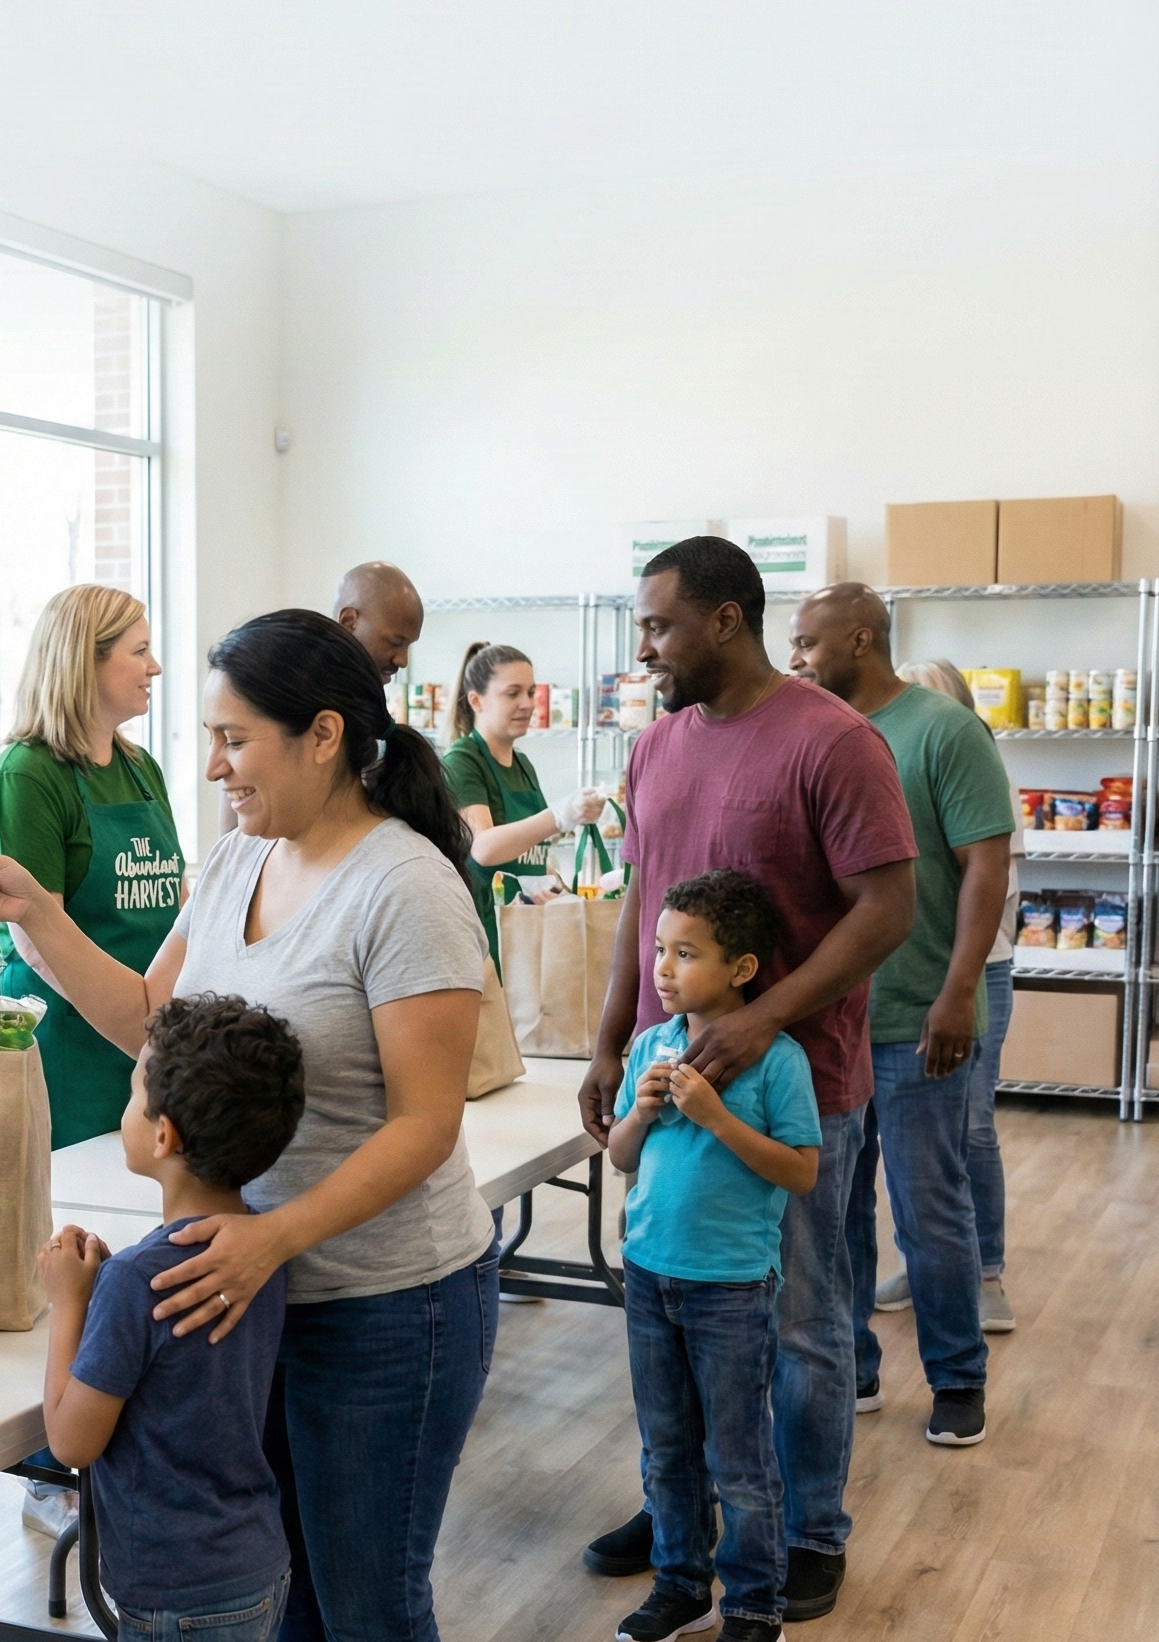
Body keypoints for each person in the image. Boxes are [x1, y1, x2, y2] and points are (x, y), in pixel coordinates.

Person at [0, 608, 500, 1642]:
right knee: (291, 1600)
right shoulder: (234, 863)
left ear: (324, 735)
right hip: (260, 1290)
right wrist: (37, 912)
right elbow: (152, 1025)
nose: (212, 767)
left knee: (369, 1606)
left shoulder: (406, 889)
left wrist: (270, 1240)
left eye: (234, 739)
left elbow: (427, 1125)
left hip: (387, 1304)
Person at [578, 537, 916, 1625]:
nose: (645, 646)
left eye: (659, 625)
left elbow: (886, 908)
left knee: (801, 1325)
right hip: (665, 1086)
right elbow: (640, 904)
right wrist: (606, 1039)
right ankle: (682, 1518)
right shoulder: (656, 746)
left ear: (726, 620)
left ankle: (809, 1529)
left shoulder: (833, 741)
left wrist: (759, 1019)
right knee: (672, 1318)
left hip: (795, 1085)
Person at [788, 588, 1011, 1449]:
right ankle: (853, 1365)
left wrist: (960, 992)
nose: (798, 658)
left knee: (930, 1207)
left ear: (862, 638)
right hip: (831, 1023)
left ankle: (957, 1377)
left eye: (809, 642)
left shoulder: (947, 731)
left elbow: (983, 869)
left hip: (921, 1018)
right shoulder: (815, 729)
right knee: (834, 1210)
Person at [38, 994, 307, 1642]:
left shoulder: (137, 1281)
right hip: (256, 1564)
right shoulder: (262, 1249)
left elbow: (72, 1443)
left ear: (164, 1135)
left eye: (135, 1093)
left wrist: (71, 1300)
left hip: (178, 1593)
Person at [609, 869, 821, 1642]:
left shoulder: (776, 1062)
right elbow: (622, 1159)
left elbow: (801, 1171)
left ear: (741, 969)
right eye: (660, 949)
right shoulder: (650, 1046)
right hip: (648, 1277)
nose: (663, 968)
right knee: (665, 1450)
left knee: (738, 1457)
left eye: (686, 953)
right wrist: (641, 1110)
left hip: (729, 1288)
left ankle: (754, 1601)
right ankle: (680, 1584)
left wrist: (715, 1116)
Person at [0, 586, 184, 1151]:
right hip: (70, 1046)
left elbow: (177, 907)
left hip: (153, 1040)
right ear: (85, 660)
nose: (154, 666)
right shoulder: (27, 776)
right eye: (139, 651)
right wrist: (133, 1022)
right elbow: (35, 938)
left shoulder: (141, 768)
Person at [880, 659, 1020, 1336]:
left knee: (970, 1131)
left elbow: (989, 883)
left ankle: (984, 1270)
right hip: (904, 986)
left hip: (974, 974)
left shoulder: (968, 761)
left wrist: (957, 987)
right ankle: (928, 1266)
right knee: (915, 1168)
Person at [216, 562, 424, 836]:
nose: (402, 660)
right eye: (395, 643)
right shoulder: (292, 689)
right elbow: (235, 823)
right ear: (349, 621)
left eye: (408, 646)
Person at [439, 640, 606, 966]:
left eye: (531, 692)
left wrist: (556, 887)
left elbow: (532, 849)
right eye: (512, 693)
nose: (528, 704)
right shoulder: (463, 759)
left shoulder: (523, 764)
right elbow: (484, 848)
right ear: (476, 701)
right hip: (487, 926)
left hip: (524, 921)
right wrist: (561, 815)